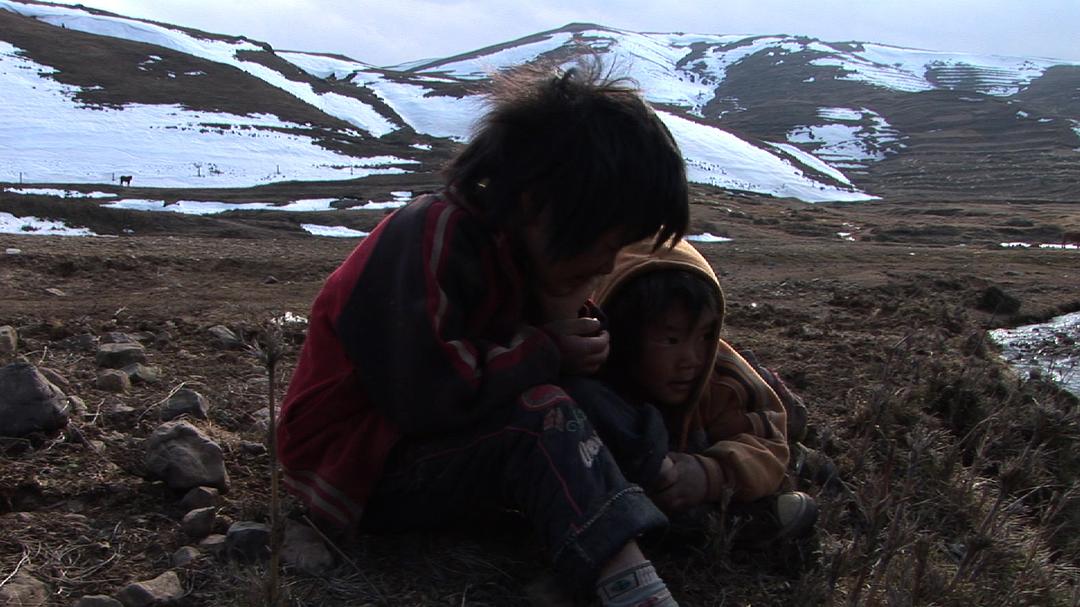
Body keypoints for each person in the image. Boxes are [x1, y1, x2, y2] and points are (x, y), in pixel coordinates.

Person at [277, 61, 690, 606]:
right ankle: (628, 581)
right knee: (544, 415)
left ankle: (675, 490)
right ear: (537, 204)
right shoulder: (431, 233)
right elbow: (426, 396)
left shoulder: (521, 251)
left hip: (446, 444)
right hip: (358, 465)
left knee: (575, 396)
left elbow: (549, 370)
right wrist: (548, 346)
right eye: (605, 244)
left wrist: (564, 319)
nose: (607, 266)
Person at [593, 238, 818, 544]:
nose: (693, 359)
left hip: (744, 401)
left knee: (789, 425)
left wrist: (710, 474)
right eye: (671, 340)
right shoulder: (594, 380)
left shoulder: (721, 379)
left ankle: (806, 455)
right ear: (621, 335)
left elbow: (768, 447)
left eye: (705, 336)